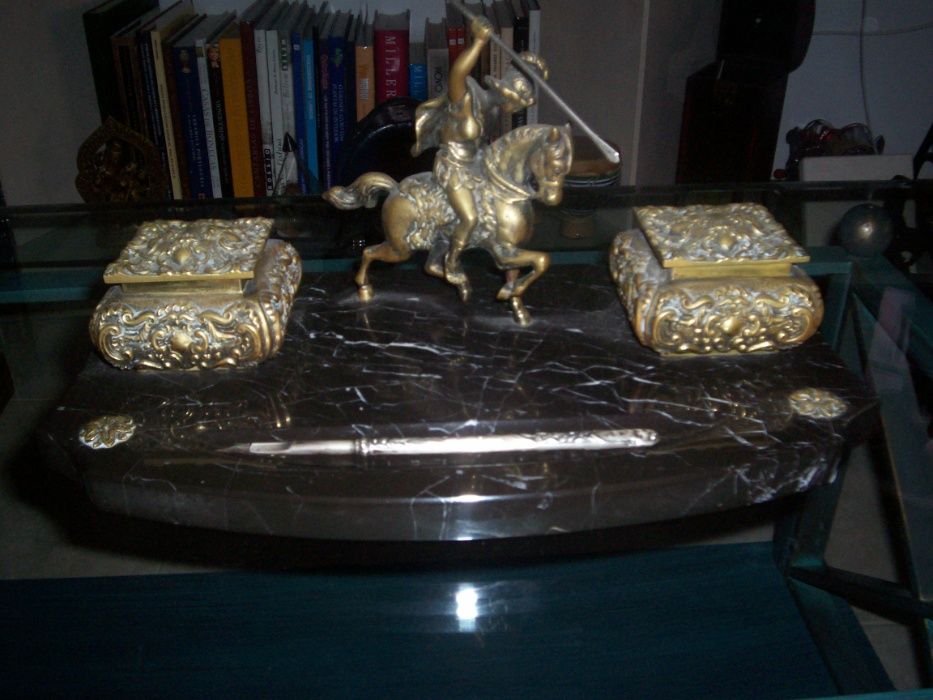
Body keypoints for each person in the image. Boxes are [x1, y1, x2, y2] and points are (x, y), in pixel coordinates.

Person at [411, 15, 548, 294]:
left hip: (476, 166)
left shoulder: (493, 111)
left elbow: (484, 146)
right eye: (521, 94)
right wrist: (478, 42)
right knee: (470, 218)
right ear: (508, 87)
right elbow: (457, 73)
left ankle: (505, 262)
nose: (520, 105)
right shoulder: (469, 95)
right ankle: (451, 262)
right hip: (453, 165)